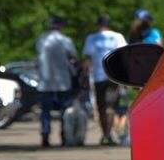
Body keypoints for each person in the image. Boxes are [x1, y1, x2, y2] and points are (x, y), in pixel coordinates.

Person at [82, 14, 127, 145]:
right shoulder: (118, 36)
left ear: (98, 24)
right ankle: (108, 134)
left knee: (101, 106)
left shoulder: (91, 38)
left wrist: (85, 75)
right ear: (109, 24)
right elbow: (124, 55)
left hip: (98, 76)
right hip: (114, 76)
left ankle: (105, 134)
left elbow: (87, 59)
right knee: (111, 106)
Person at [36, 14, 78, 147]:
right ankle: (64, 135)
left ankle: (45, 134)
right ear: (61, 26)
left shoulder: (41, 39)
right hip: (62, 80)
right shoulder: (65, 40)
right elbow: (73, 57)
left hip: (46, 80)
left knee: (45, 110)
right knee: (64, 110)